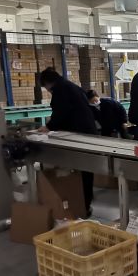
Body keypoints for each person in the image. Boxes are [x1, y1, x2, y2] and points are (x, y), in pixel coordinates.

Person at [38, 68, 97, 216]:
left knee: (82, 171)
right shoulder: (70, 86)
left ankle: (82, 206)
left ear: (47, 83)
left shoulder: (61, 89)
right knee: (86, 170)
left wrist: (48, 127)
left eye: (46, 87)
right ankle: (85, 203)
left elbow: (61, 112)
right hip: (87, 133)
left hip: (80, 135)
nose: (47, 90)